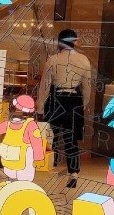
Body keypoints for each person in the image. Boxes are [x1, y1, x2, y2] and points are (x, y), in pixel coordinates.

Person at [37, 29, 94, 188]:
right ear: (74, 42)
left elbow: (45, 86)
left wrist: (40, 108)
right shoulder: (83, 60)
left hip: (55, 99)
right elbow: (87, 87)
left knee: (51, 137)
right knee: (71, 139)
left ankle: (51, 168)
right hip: (74, 100)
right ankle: (73, 172)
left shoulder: (52, 59)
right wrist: (83, 105)